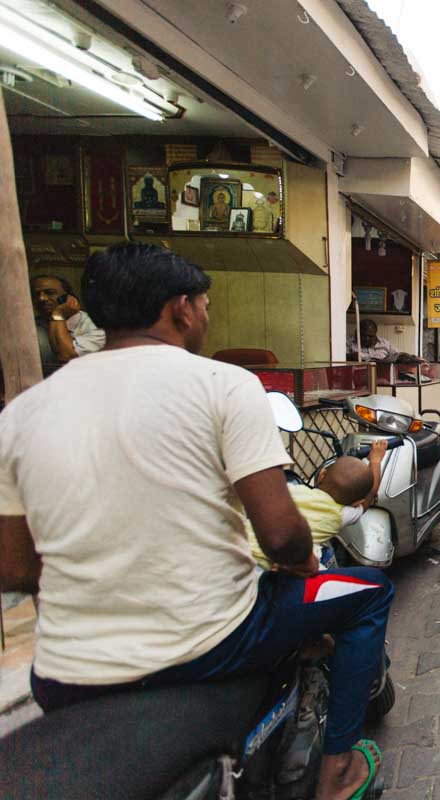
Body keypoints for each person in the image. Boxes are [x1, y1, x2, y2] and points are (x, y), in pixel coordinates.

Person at [0, 243, 394, 800]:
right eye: (205, 305)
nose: (206, 317)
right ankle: (338, 770)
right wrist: (305, 565)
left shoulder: (22, 412)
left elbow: (15, 567)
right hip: (212, 641)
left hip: (64, 673)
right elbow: (281, 535)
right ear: (181, 308)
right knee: (372, 592)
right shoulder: (224, 386)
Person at [247, 441, 386, 570]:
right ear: (357, 503)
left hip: (247, 547)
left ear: (321, 476)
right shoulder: (341, 514)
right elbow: (371, 492)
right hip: (270, 564)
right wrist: (375, 460)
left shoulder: (292, 490)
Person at [31, 274, 106, 375]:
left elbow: (66, 356)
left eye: (50, 293)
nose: (42, 298)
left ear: (69, 297)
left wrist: (58, 315)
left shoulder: (94, 325)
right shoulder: (33, 326)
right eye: (36, 295)